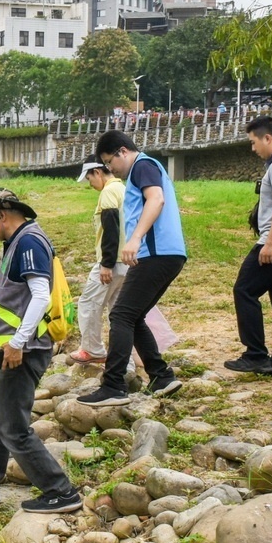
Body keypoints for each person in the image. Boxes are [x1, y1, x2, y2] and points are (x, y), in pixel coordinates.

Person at [0, 188, 82, 513]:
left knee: (12, 427)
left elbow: (40, 295)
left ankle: (60, 491)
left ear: (2, 214)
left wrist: (16, 343)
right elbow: (23, 290)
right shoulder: (19, 241)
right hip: (19, 347)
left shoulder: (28, 241)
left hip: (24, 349)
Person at [77, 131, 187, 407]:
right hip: (167, 254)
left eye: (109, 161)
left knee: (120, 315)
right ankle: (161, 376)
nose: (110, 168)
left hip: (156, 253)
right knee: (134, 315)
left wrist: (136, 238)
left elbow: (156, 199)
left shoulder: (143, 166)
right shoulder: (143, 169)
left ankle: (113, 385)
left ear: (122, 151)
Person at [224, 116, 272, 377]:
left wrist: (269, 242)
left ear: (268, 138)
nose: (253, 148)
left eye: (254, 142)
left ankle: (255, 354)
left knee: (244, 290)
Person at [70, 157, 127, 364]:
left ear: (97, 172)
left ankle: (92, 349)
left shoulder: (108, 192)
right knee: (117, 310)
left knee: (89, 303)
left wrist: (106, 264)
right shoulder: (123, 189)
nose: (90, 184)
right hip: (127, 261)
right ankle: (123, 359)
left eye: (89, 178)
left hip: (113, 261)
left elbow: (111, 229)